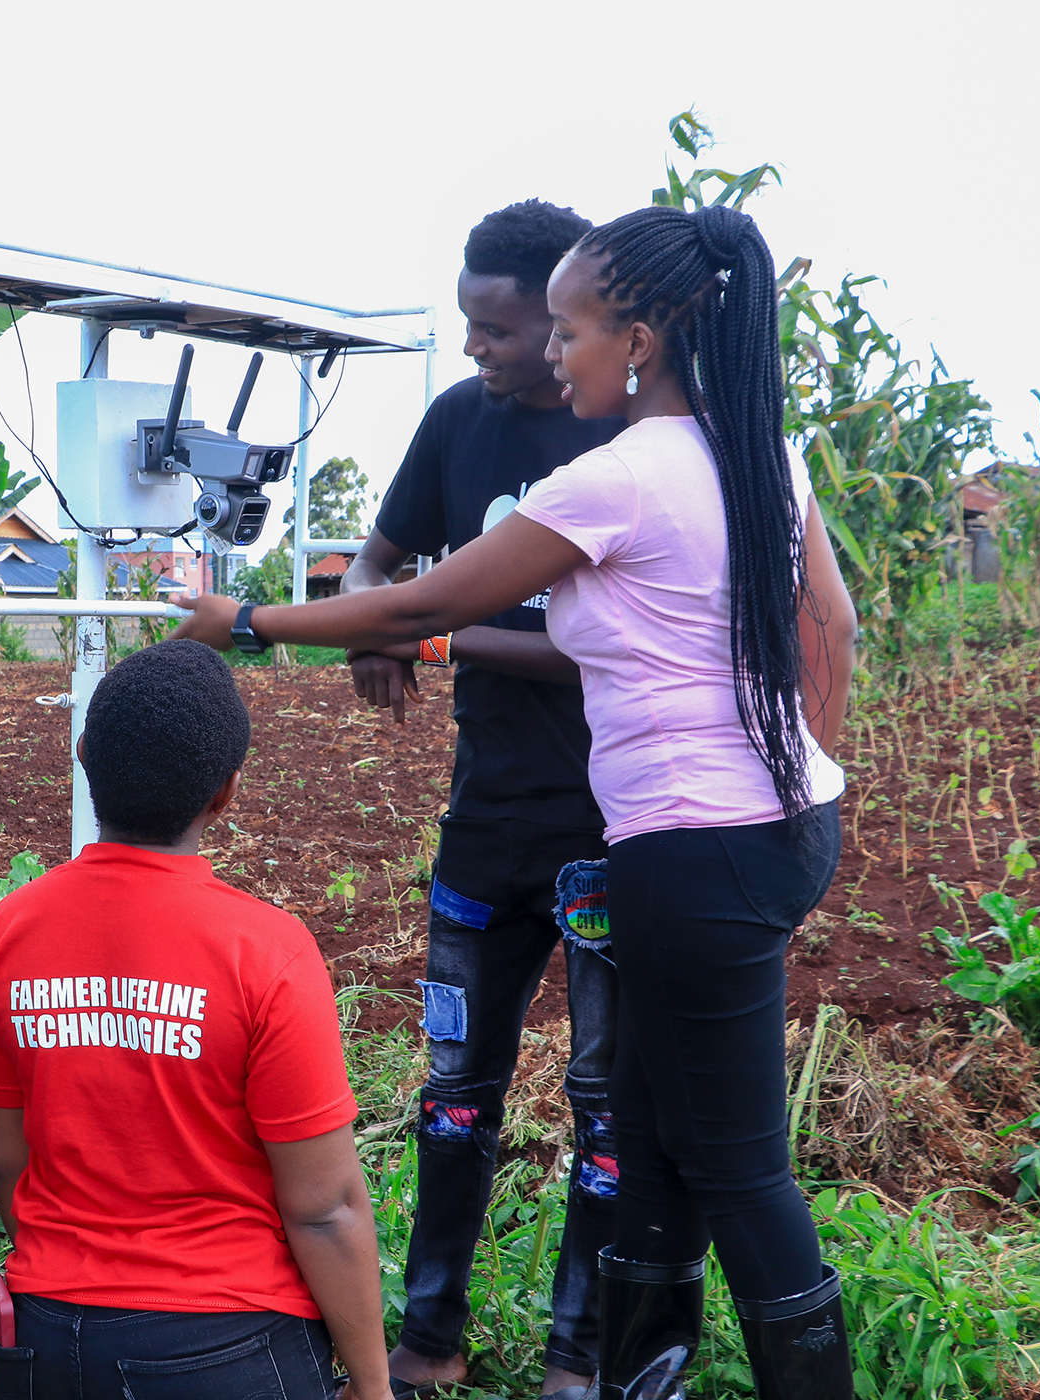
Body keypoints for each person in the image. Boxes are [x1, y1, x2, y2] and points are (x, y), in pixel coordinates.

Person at [173, 204, 862, 1400]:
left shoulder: (625, 475)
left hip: (695, 853)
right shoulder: (759, 446)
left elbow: (408, 605)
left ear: (638, 339)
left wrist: (241, 622)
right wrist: (792, 784)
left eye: (573, 330)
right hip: (762, 831)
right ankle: (634, 1377)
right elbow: (834, 626)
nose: (554, 353)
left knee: (737, 1168)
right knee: (644, 1145)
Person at [342, 199, 625, 1400]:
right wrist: (372, 606)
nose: (478, 349)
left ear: (569, 325)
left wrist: (427, 632)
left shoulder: (629, 451)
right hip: (486, 825)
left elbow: (602, 647)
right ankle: (431, 1335)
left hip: (616, 831)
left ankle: (579, 1352)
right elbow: (377, 556)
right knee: (455, 1092)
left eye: (501, 329)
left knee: (608, 1105)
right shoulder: (457, 423)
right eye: (469, 324)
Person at [0, 639, 393, 1400]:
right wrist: (373, 1383)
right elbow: (324, 1208)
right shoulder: (268, 953)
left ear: (85, 755)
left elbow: (6, 1162)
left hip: (50, 1337)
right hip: (229, 1343)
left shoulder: (6, 934)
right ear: (226, 793)